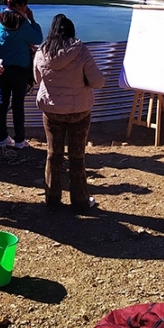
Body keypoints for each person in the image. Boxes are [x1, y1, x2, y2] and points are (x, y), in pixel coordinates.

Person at [33, 14, 105, 212]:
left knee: (53, 155)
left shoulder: (42, 52)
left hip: (52, 110)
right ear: (72, 31)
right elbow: (98, 82)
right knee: (77, 156)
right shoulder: (81, 52)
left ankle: (52, 199)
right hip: (79, 111)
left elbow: (37, 80)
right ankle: (80, 201)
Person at [0, 0, 43, 149]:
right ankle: (19, 140)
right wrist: (32, 20)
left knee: (2, 102)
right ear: (21, 5)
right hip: (20, 69)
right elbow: (37, 39)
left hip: (1, 68)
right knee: (18, 104)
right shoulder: (22, 22)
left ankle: (1, 138)